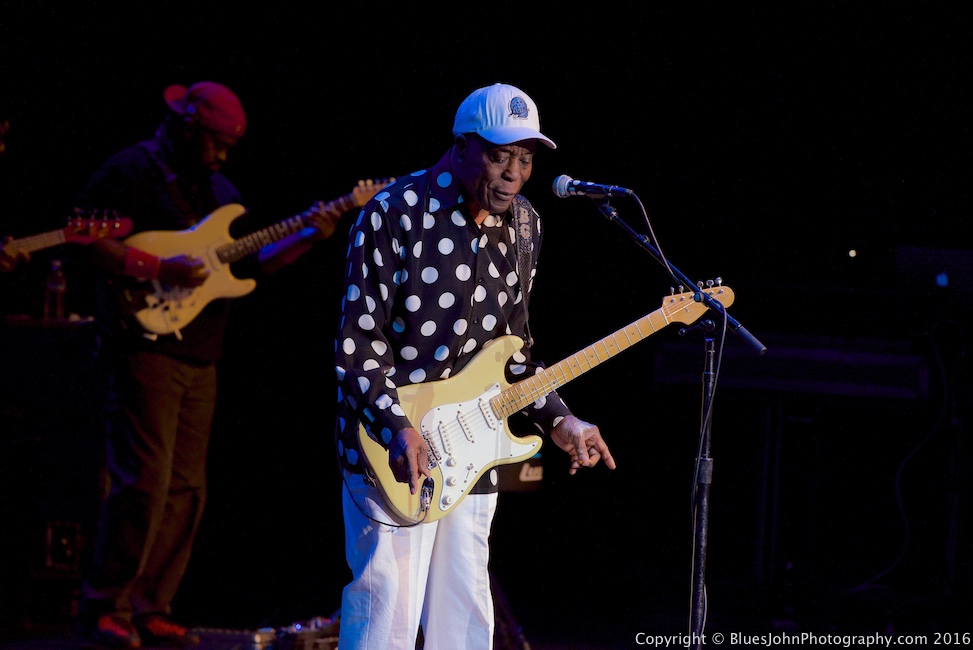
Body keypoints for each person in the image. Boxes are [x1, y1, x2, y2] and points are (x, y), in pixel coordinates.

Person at [333, 82, 617, 649]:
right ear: (461, 147)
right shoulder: (394, 213)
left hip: (474, 448)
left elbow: (515, 353)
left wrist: (562, 421)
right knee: (386, 611)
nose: (513, 172)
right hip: (391, 445)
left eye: (525, 158)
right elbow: (358, 345)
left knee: (465, 620)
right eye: (499, 154)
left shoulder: (527, 226)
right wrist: (398, 427)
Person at [72, 81, 344, 648]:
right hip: (143, 342)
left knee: (186, 487)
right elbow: (84, 237)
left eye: (229, 145)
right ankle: (107, 604)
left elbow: (251, 269)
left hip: (200, 351)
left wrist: (306, 237)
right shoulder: (130, 171)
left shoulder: (220, 190)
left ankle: (151, 605)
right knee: (143, 479)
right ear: (186, 127)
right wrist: (155, 266)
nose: (222, 155)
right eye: (215, 142)